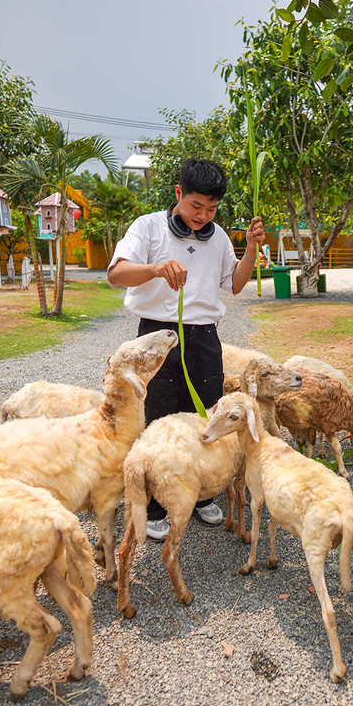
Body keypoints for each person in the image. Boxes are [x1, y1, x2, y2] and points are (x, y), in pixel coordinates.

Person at [107, 158, 267, 540]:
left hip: (204, 338)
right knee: (160, 417)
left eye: (211, 209)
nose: (203, 215)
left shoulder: (220, 238)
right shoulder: (147, 227)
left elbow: (237, 284)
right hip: (157, 336)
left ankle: (200, 494)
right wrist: (156, 268)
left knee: (204, 417)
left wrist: (249, 251)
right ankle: (159, 503)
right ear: (178, 194)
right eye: (196, 206)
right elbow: (115, 274)